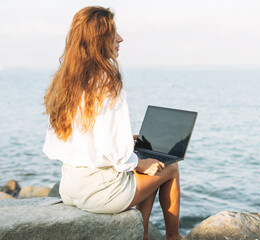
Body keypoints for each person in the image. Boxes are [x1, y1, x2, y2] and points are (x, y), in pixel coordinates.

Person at [43, 6, 182, 240]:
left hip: (70, 187)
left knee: (150, 165)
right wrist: (137, 162)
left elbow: (74, 137)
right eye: (113, 33)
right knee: (170, 168)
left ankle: (144, 234)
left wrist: (127, 145)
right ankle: (174, 237)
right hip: (100, 192)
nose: (120, 38)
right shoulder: (106, 81)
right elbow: (117, 154)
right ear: (98, 39)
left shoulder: (66, 80)